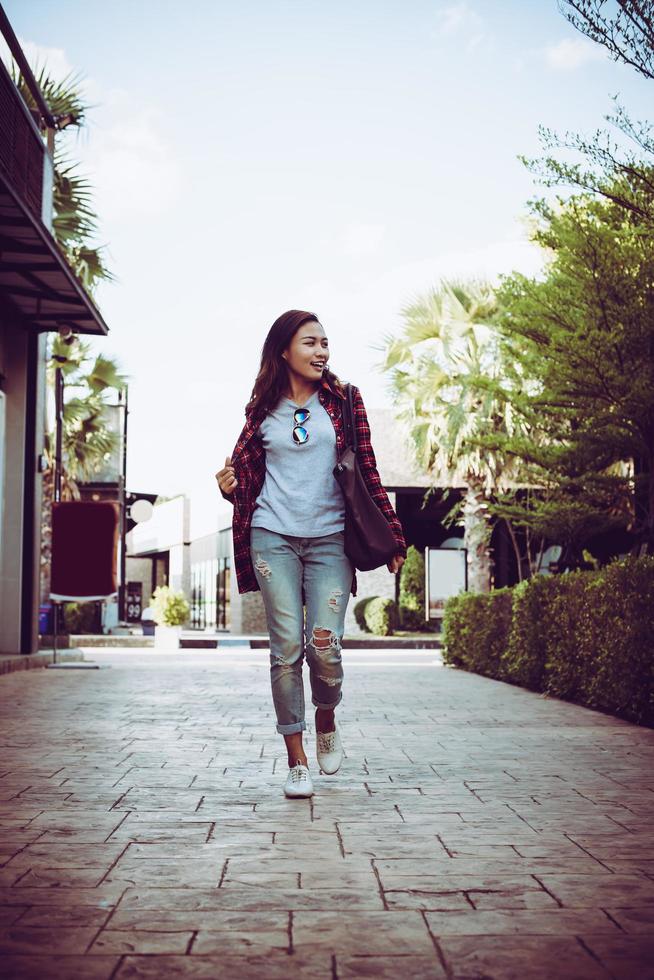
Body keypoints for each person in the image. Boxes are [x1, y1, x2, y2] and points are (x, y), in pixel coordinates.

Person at [215, 310, 406, 798]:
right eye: (310, 343)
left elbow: (367, 470)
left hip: (330, 540)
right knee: (285, 650)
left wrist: (394, 536)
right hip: (271, 536)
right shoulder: (260, 410)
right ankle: (296, 760)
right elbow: (243, 475)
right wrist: (227, 486)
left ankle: (326, 716)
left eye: (325, 343)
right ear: (284, 350)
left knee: (325, 647)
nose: (322, 351)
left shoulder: (344, 402)